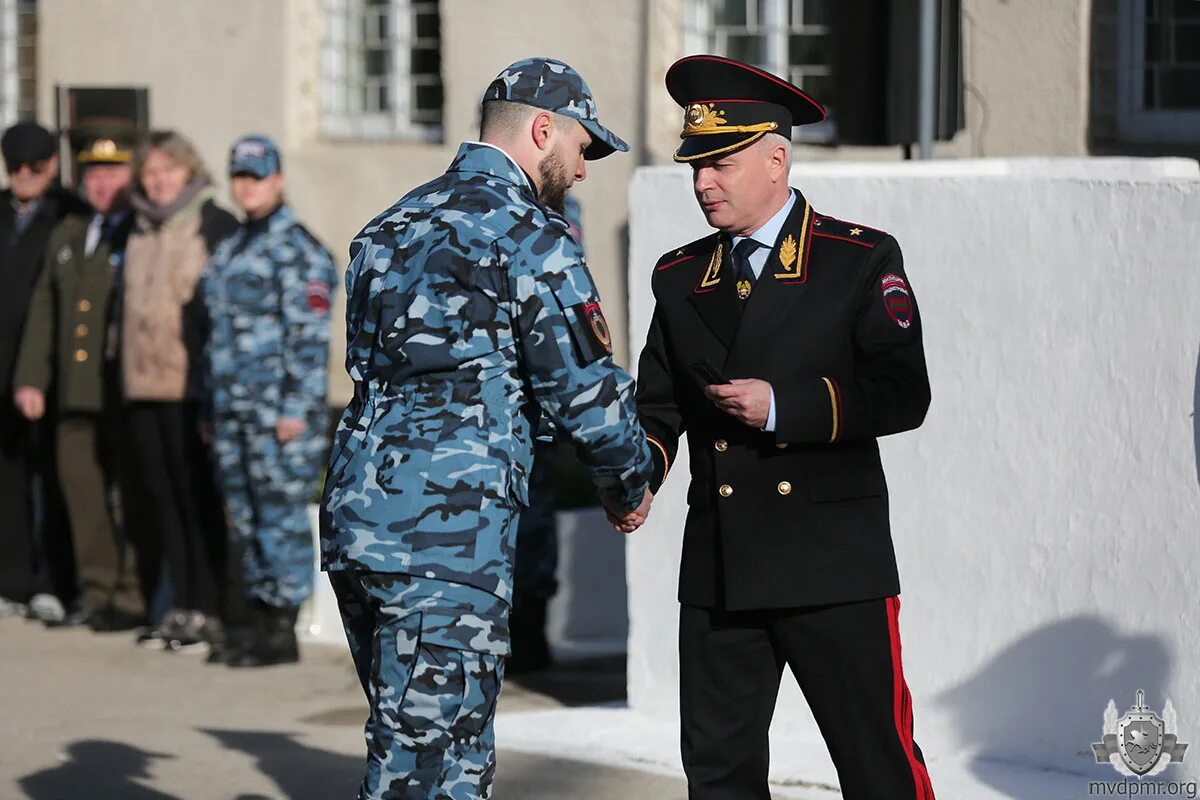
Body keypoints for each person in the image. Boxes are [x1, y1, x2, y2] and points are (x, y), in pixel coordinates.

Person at [320, 57, 653, 799]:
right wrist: (628, 484)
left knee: (425, 748)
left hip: (359, 520)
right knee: (430, 767)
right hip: (446, 539)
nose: (584, 171)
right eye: (581, 148)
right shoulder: (532, 235)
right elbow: (585, 394)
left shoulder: (387, 226)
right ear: (543, 131)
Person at [627, 55, 936, 800]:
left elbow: (903, 393)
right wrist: (636, 476)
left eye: (721, 163)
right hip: (721, 568)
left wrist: (785, 407)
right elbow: (660, 406)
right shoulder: (679, 275)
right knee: (719, 774)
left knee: (877, 765)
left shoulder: (856, 259)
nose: (703, 183)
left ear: (776, 158)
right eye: (695, 166)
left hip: (831, 562)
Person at [203, 134, 335, 667]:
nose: (247, 186)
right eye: (239, 176)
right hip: (233, 410)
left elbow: (310, 338)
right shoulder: (234, 245)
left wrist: (295, 410)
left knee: (279, 517)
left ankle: (280, 632)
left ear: (278, 180)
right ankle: (257, 621)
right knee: (246, 516)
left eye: (257, 176)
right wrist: (211, 410)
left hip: (278, 414)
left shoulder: (298, 249)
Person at [13, 126, 145, 631]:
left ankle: (134, 595)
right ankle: (98, 589)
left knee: (130, 496)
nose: (102, 182)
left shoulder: (141, 231)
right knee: (81, 491)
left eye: (113, 172)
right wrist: (31, 379)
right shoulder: (69, 234)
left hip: (124, 391)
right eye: (93, 172)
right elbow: (45, 311)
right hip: (74, 390)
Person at [119, 130, 237, 649]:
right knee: (161, 499)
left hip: (191, 386)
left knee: (198, 498)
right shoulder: (138, 228)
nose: (158, 181)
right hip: (143, 385)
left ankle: (209, 607)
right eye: (149, 173)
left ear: (189, 172)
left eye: (167, 170)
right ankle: (180, 605)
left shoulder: (212, 225)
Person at [0, 121, 86, 619]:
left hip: (53, 370)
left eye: (34, 167)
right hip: (4, 371)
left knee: (55, 479)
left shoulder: (69, 214)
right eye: (15, 168)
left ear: (52, 166)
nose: (24, 177)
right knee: (8, 479)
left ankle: (55, 581)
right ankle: (12, 579)